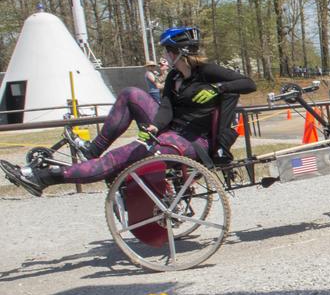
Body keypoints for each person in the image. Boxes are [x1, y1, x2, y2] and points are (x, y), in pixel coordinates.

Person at [3, 26, 255, 196]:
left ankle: (45, 177)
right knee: (130, 94)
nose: (164, 56)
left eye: (167, 51)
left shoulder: (207, 71)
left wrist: (217, 88)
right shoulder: (174, 77)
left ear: (179, 52)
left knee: (118, 159)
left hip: (193, 141)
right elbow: (165, 107)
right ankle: (92, 150)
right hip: (172, 130)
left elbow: (247, 83)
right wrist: (154, 126)